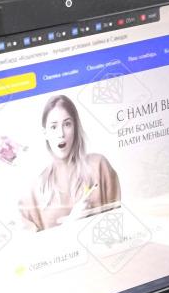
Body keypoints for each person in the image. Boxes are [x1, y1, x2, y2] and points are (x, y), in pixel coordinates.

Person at [19, 95, 120, 231]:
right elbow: (32, 243)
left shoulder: (99, 166)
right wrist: (71, 222)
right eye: (53, 127)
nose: (61, 133)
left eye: (67, 124)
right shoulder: (34, 190)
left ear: (75, 127)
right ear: (45, 133)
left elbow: (118, 224)